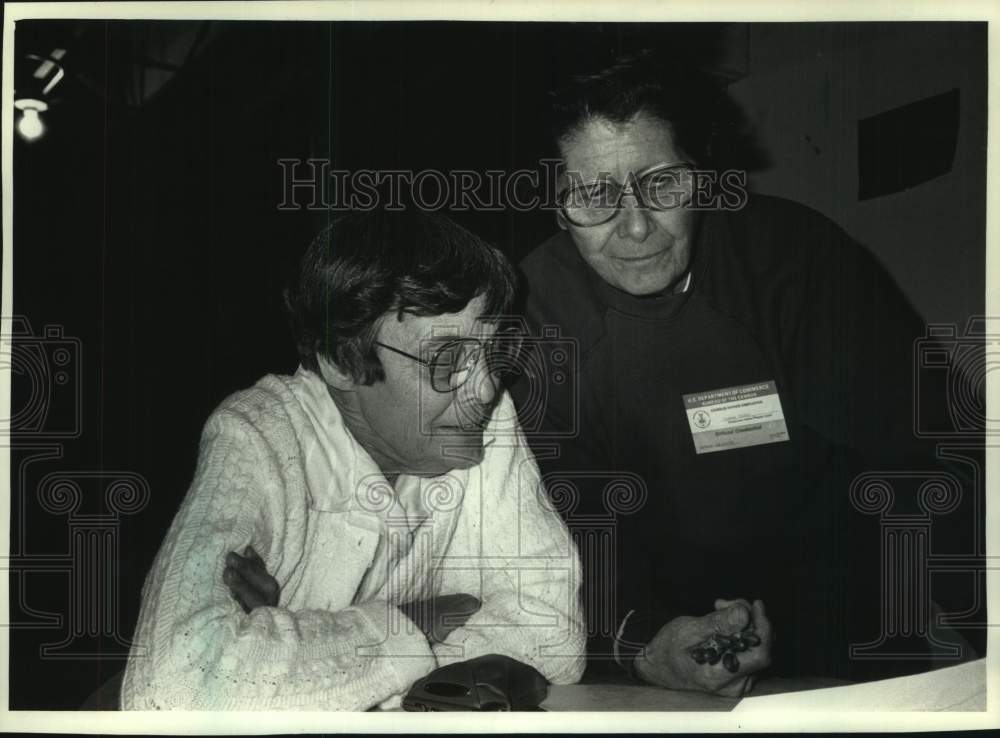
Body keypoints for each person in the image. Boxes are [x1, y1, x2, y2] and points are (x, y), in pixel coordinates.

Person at [512, 51, 982, 695]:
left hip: (839, 621)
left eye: (662, 182)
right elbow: (552, 523)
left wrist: (987, 637)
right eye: (593, 195)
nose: (636, 225)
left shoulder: (800, 261)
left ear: (701, 179)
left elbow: (933, 460)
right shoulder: (531, 308)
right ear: (557, 206)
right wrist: (640, 642)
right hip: (647, 635)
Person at [121, 209, 585, 710]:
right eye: (446, 358)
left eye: (494, 350)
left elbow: (554, 637)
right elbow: (170, 687)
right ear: (341, 361)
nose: (486, 387)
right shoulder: (260, 434)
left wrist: (298, 636)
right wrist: (417, 623)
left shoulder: (486, 423)